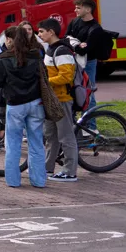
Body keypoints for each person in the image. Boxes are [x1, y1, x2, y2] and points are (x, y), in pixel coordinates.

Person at [0, 25, 47, 188]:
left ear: (10, 40)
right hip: (36, 102)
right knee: (36, 142)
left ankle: (13, 180)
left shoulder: (3, 59)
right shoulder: (36, 55)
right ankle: (39, 180)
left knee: (13, 143)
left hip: (15, 103)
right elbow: (43, 76)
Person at [38, 19, 80, 182]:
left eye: (41, 31)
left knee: (66, 136)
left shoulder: (62, 51)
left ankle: (70, 171)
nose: (39, 34)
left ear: (51, 32)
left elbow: (66, 76)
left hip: (62, 99)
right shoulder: (51, 50)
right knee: (51, 136)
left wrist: (46, 82)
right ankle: (48, 168)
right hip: (52, 99)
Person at [66, 0, 111, 111]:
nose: (75, 10)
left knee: (88, 92)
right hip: (74, 61)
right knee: (75, 90)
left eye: (78, 8)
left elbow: (83, 50)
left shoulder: (95, 29)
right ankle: (78, 124)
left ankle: (91, 126)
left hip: (89, 63)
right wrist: (77, 45)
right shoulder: (74, 22)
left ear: (88, 10)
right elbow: (66, 39)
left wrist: (74, 45)